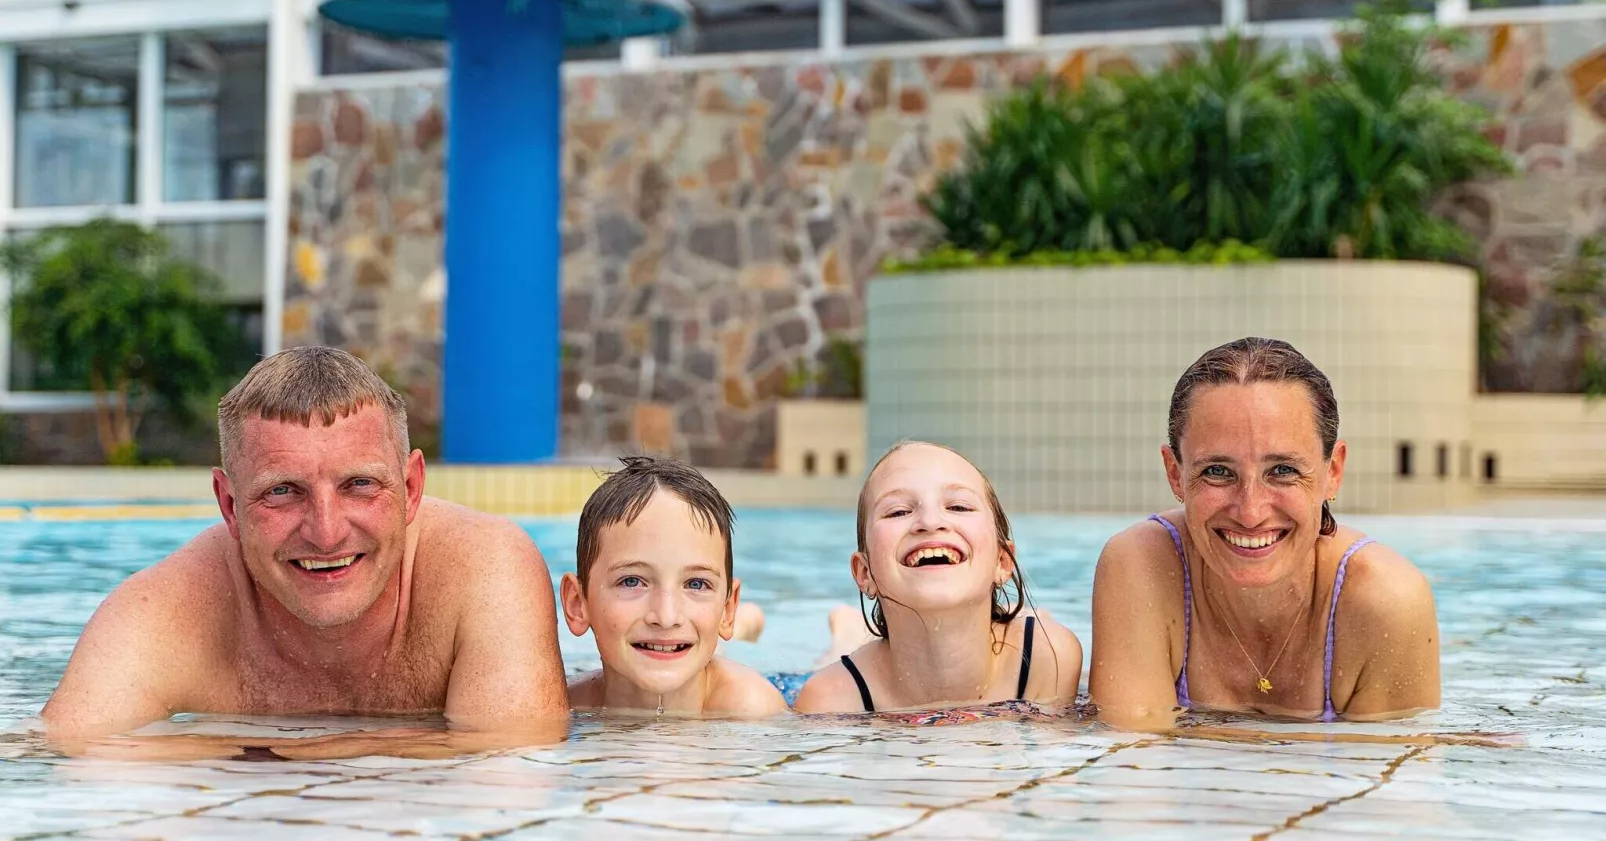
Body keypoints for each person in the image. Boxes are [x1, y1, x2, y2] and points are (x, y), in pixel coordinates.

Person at [41, 346, 570, 755]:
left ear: (411, 488)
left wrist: (263, 753)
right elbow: (63, 758)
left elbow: (511, 779)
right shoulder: (161, 614)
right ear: (229, 505)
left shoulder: (485, 569)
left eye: (359, 484)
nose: (326, 532)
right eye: (282, 491)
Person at [1090, 337, 1441, 730]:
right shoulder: (1142, 567)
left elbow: (1382, 770)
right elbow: (1133, 758)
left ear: (1333, 472)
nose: (1251, 513)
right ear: (1175, 474)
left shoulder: (1385, 601)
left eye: (1283, 470)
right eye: (1217, 472)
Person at [794, 440, 1082, 713]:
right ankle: (848, 634)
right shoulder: (832, 698)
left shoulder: (1045, 658)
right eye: (898, 511)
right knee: (837, 655)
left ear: (1002, 562)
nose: (930, 523)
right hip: (862, 674)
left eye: (958, 507)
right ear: (865, 573)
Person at [559, 456, 788, 717]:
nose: (666, 617)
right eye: (632, 581)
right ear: (577, 604)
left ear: (727, 610)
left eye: (696, 584)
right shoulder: (564, 707)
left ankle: (750, 624)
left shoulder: (751, 711)